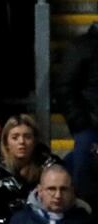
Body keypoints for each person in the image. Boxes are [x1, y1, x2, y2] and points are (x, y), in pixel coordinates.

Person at [0, 114, 58, 223]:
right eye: (15, 137)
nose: (21, 142)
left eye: (27, 137)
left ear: (35, 141)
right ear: (6, 142)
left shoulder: (50, 167)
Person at [56, 22, 98, 206]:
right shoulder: (82, 46)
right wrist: (82, 125)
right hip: (90, 128)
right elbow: (65, 88)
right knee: (85, 188)